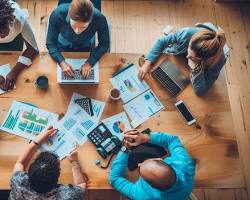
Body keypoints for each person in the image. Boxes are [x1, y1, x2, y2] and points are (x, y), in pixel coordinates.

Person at [138, 22, 227, 96]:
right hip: (174, 59)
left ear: (203, 59)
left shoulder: (218, 61)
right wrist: (147, 64)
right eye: (189, 49)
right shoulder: (186, 33)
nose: (187, 56)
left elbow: (201, 91)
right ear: (190, 41)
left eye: (192, 57)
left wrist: (195, 70)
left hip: (189, 73)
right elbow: (162, 41)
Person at [109, 130, 195, 200]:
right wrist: (145, 137)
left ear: (150, 185)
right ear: (159, 159)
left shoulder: (142, 196)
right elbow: (172, 140)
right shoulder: (185, 164)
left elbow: (114, 179)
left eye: (140, 171)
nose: (139, 164)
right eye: (146, 161)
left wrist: (125, 149)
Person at [9, 126, 88, 200]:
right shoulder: (67, 196)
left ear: (29, 174)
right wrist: (74, 162)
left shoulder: (18, 182)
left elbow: (20, 163)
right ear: (57, 178)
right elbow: (81, 184)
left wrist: (37, 140)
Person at [46, 0, 110, 78]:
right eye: (74, 25)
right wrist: (62, 62)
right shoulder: (57, 14)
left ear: (91, 20)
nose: (77, 31)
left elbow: (104, 45)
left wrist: (90, 63)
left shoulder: (100, 18)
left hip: (87, 47)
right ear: (69, 15)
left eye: (83, 27)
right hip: (62, 46)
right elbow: (50, 44)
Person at [0, 0, 39, 91]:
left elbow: (33, 48)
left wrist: (15, 71)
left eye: (3, 31)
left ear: (9, 21)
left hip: (15, 40)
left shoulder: (18, 18)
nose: (2, 36)